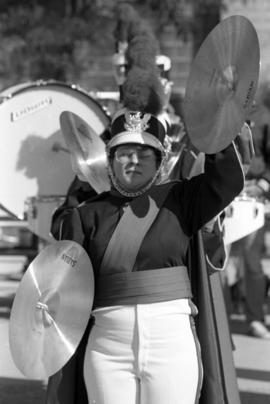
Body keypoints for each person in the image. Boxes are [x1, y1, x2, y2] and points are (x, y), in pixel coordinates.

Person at [45, 60, 245, 404]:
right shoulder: (87, 213)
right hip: (106, 347)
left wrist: (217, 114)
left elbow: (225, 179)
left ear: (159, 160)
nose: (133, 161)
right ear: (110, 160)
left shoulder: (183, 199)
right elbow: (62, 276)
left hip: (172, 341)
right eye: (124, 153)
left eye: (143, 153)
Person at [228, 100, 270, 338]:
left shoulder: (264, 116)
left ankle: (255, 318)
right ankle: (218, 317)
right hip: (222, 193)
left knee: (252, 260)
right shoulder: (221, 108)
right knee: (218, 262)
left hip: (251, 193)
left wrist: (264, 184)